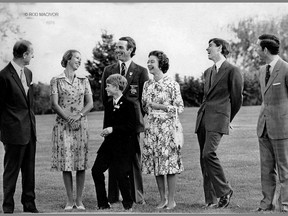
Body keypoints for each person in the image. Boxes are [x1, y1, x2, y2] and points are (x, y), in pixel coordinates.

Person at [195, 38, 243, 209]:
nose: (206, 48)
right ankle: (210, 200)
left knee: (209, 153)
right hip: (203, 119)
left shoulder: (232, 70)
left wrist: (227, 119)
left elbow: (237, 99)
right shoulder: (207, 71)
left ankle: (225, 190)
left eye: (210, 46)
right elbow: (206, 97)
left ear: (220, 48)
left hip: (218, 118)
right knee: (203, 158)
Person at [101, 36, 149, 204]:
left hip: (132, 125)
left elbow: (144, 100)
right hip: (112, 124)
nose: (118, 50)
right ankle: (113, 197)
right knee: (113, 158)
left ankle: (137, 196)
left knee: (134, 158)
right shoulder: (108, 70)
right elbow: (104, 98)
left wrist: (136, 119)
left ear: (130, 50)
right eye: (117, 47)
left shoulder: (141, 71)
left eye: (122, 47)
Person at [50, 49, 93, 211]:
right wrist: (69, 118)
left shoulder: (84, 80)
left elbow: (90, 104)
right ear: (68, 59)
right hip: (63, 125)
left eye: (80, 59)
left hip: (81, 125)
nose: (79, 61)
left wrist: (79, 116)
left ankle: (79, 200)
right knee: (66, 163)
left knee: (80, 163)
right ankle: (69, 201)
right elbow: (54, 104)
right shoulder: (56, 80)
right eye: (77, 58)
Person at [141, 50, 184, 210]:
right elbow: (144, 105)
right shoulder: (147, 84)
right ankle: (162, 199)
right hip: (152, 128)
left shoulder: (172, 84)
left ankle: (172, 200)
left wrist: (161, 107)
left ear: (161, 64)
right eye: (148, 61)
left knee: (169, 164)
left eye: (152, 61)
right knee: (156, 164)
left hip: (168, 129)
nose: (149, 64)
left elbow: (180, 108)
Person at [0, 40, 38, 213]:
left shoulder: (28, 73)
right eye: (31, 53)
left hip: (30, 130)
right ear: (24, 55)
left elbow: (28, 104)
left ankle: (29, 205)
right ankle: (7, 207)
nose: (33, 56)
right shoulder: (3, 76)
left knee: (29, 170)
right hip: (13, 132)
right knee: (11, 171)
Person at [254, 34, 288, 213]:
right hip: (263, 128)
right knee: (266, 169)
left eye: (257, 47)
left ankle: (285, 205)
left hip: (282, 128)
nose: (255, 50)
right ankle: (266, 204)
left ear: (265, 50)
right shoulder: (261, 70)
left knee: (285, 169)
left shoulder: (286, 69)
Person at [92, 74, 136, 211]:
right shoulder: (108, 104)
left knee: (121, 175)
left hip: (123, 147)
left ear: (117, 87)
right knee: (96, 171)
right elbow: (108, 124)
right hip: (109, 145)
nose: (106, 88)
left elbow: (131, 127)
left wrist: (113, 129)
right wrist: (106, 131)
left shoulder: (129, 104)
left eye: (108, 85)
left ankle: (128, 205)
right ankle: (103, 204)